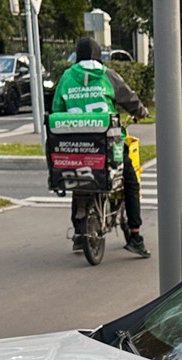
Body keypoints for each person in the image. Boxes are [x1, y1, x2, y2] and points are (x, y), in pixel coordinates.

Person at [51, 36, 150, 257]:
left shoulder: (67, 77)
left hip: (74, 147)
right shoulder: (107, 75)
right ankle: (135, 235)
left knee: (79, 179)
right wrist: (141, 112)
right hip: (107, 146)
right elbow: (130, 100)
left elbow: (56, 107)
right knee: (130, 182)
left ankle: (79, 235)